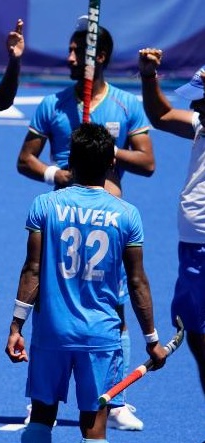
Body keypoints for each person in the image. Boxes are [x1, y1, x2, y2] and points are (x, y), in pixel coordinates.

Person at [15, 18, 155, 430]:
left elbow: (147, 161)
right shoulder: (53, 104)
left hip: (109, 219)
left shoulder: (126, 106)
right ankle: (48, 394)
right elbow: (25, 159)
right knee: (59, 294)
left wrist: (102, 148)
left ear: (101, 57)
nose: (70, 58)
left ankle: (115, 397)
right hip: (64, 211)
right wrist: (56, 174)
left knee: (113, 302)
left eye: (78, 52)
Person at [6, 122, 167, 443]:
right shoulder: (127, 215)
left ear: (71, 161)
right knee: (94, 428)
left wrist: (16, 326)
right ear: (112, 162)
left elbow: (32, 270)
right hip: (100, 335)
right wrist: (152, 340)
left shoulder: (45, 205)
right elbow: (137, 282)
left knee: (41, 418)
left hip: (52, 331)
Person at [137, 49, 205, 399]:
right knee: (193, 326)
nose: (194, 107)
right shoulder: (201, 123)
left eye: (200, 100)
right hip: (193, 245)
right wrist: (149, 76)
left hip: (202, 246)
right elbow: (161, 115)